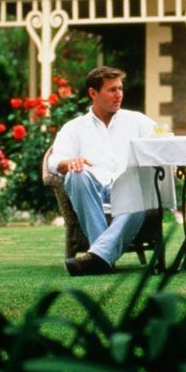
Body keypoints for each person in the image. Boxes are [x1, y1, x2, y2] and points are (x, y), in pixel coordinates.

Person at [48, 66, 156, 276]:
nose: (119, 95)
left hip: (128, 189)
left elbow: (162, 141)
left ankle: (98, 257)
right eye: (112, 90)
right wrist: (70, 162)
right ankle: (103, 257)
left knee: (141, 185)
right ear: (93, 93)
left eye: (120, 89)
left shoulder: (137, 121)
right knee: (76, 174)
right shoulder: (74, 127)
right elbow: (54, 160)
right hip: (93, 189)